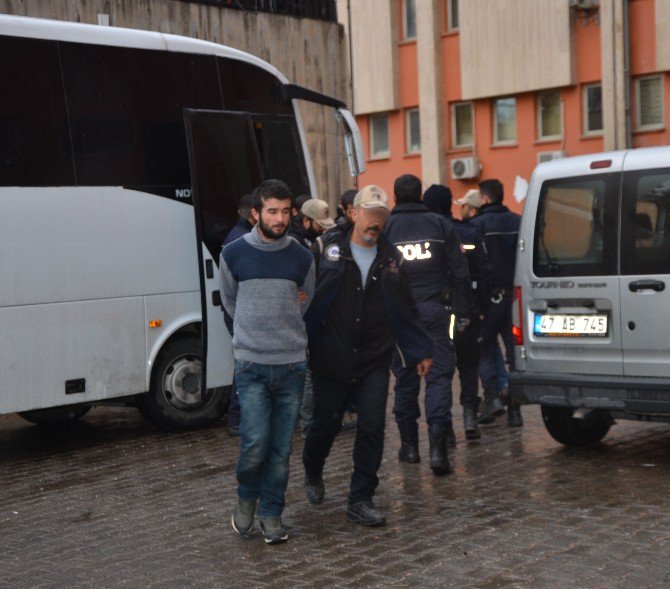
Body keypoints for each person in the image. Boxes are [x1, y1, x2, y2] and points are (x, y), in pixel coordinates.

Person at [302, 184, 433, 526]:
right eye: (370, 215)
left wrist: (419, 349)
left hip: (374, 358)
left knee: (373, 427)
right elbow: (307, 298)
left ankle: (360, 498)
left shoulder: (392, 259)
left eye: (381, 216)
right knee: (325, 426)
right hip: (331, 357)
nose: (375, 222)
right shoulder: (326, 250)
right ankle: (313, 469)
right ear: (354, 213)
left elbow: (405, 307)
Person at [220, 179, 315, 545]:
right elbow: (230, 301)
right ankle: (246, 498)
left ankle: (272, 513)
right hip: (251, 366)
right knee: (255, 442)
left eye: (285, 211)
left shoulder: (302, 257)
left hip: (291, 365)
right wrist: (252, 335)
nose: (280, 218)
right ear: (256, 213)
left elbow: (305, 300)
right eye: (272, 211)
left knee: (280, 450)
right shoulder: (233, 254)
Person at [383, 175, 472, 475]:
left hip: (399, 317)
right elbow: (460, 272)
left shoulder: (385, 228)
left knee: (405, 381)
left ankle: (410, 447)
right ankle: (437, 450)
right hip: (436, 311)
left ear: (394, 196)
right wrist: (462, 312)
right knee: (438, 378)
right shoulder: (440, 224)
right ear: (419, 194)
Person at [425, 185, 491, 441]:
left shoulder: (427, 235)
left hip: (437, 309)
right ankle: (470, 416)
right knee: (468, 365)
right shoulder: (468, 232)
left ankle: (446, 428)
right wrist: (483, 307)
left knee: (440, 370)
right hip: (466, 307)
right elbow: (483, 272)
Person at [469, 179, 523, 427]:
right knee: (514, 353)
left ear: (484, 198)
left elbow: (474, 264)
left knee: (483, 348)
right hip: (513, 295)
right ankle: (515, 407)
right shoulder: (518, 221)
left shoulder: (477, 225)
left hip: (488, 298)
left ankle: (492, 398)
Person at [286, 198, 336, 435]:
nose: (323, 228)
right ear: (305, 220)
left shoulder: (308, 240)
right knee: (306, 372)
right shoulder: (295, 243)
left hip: (311, 312)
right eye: (319, 223)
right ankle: (307, 423)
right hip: (301, 314)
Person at [222, 193, 257, 437]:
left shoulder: (233, 237)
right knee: (245, 365)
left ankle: (238, 417)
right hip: (241, 313)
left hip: (236, 312)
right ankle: (236, 418)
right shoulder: (243, 240)